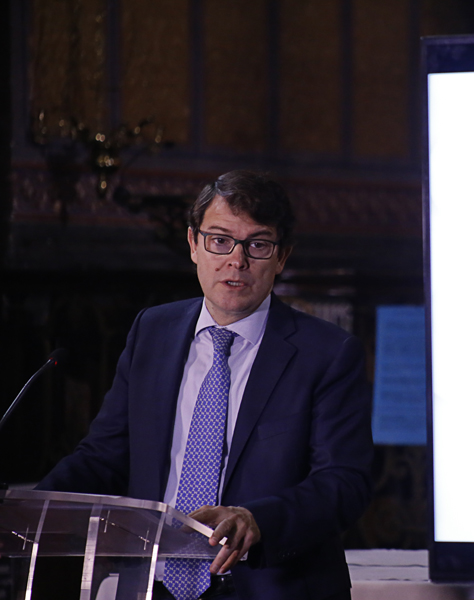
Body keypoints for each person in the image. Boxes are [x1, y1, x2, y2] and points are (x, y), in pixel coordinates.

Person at [37, 171, 373, 600]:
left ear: (282, 257)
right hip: (152, 585)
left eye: (258, 245)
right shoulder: (152, 331)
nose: (237, 260)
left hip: (268, 585)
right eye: (220, 241)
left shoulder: (327, 353)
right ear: (194, 244)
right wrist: (30, 505)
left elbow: (344, 482)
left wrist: (257, 519)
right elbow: (105, 456)